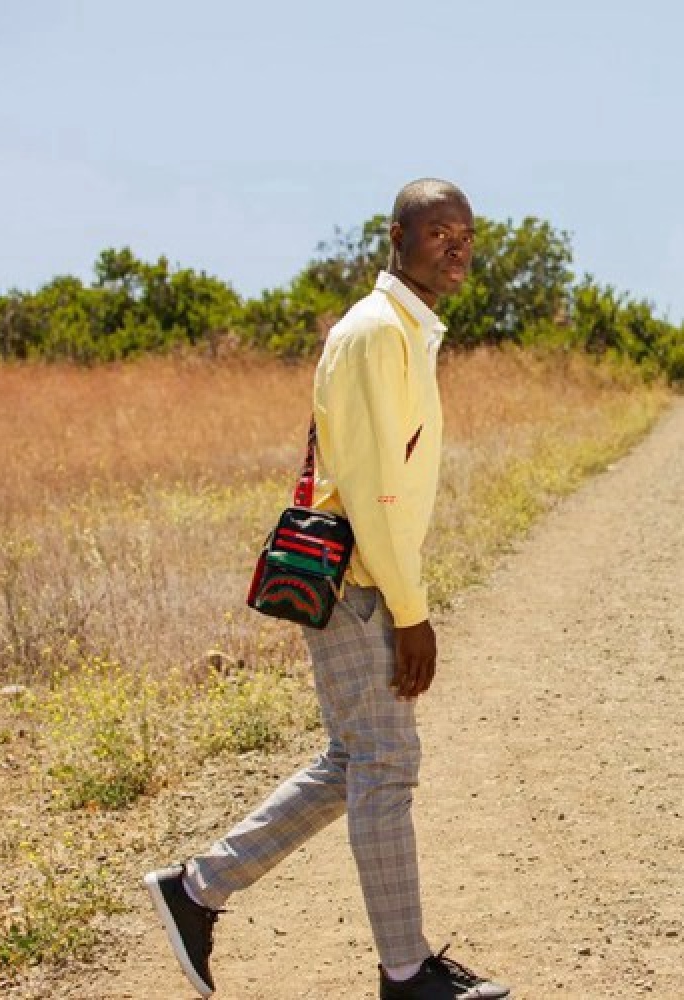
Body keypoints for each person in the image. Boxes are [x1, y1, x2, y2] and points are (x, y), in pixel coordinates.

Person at [144, 179, 511, 999]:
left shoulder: (404, 331)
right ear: (396, 236)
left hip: (363, 578)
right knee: (386, 766)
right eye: (437, 231)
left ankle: (197, 888)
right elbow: (375, 484)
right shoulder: (378, 332)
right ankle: (406, 973)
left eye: (466, 235)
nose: (456, 246)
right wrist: (411, 614)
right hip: (359, 584)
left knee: (357, 761)